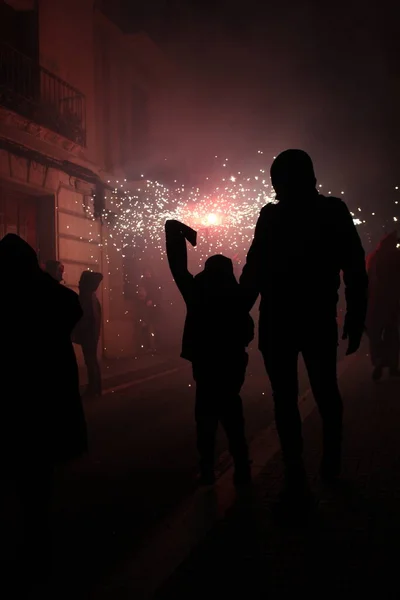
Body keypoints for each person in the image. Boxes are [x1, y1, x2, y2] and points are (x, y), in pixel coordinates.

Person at [240, 149, 368, 503]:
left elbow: (254, 270)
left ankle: (296, 474)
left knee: (285, 398)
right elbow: (354, 268)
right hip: (316, 317)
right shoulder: (332, 212)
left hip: (278, 319)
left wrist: (238, 315)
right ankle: (329, 464)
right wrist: (356, 315)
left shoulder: (271, 217)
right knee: (325, 390)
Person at [0, 234, 87, 585]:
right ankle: (37, 540)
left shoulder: (8, 295)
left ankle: (34, 546)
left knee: (27, 469)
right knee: (37, 474)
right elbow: (71, 306)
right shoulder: (50, 294)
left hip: (18, 394)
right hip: (45, 394)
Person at [165, 219, 254, 487]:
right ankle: (241, 465)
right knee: (232, 413)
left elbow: (178, 268)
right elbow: (247, 331)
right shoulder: (237, 296)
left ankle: (206, 467)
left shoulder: (196, 293)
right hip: (231, 364)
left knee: (205, 417)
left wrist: (175, 233)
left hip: (205, 365)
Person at [366, 232, 400, 380]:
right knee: (392, 335)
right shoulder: (396, 257)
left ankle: (379, 361)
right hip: (392, 303)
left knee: (376, 336)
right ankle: (392, 365)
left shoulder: (373, 258)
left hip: (375, 304)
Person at [73, 271, 103, 398]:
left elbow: (85, 318)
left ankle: (93, 389)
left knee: (90, 361)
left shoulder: (87, 297)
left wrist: (78, 333)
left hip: (88, 335)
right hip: (91, 334)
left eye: (81, 281)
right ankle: (96, 388)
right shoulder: (92, 297)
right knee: (92, 361)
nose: (79, 284)